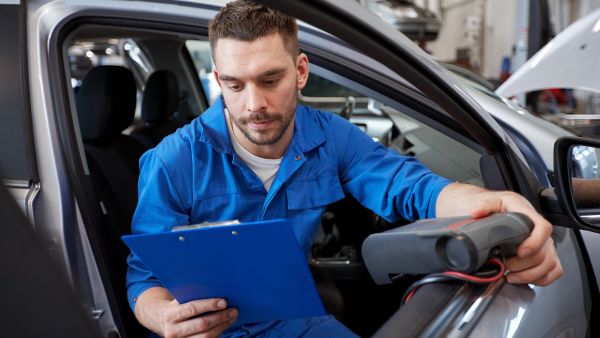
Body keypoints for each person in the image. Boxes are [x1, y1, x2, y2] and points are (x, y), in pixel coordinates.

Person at [126, 1, 563, 337]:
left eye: (270, 80)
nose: (253, 104)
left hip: (296, 322)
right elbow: (143, 278)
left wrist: (496, 202)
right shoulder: (173, 161)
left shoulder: (331, 137)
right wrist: (165, 316)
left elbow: (414, 188)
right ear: (218, 81)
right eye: (236, 86)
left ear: (300, 71)